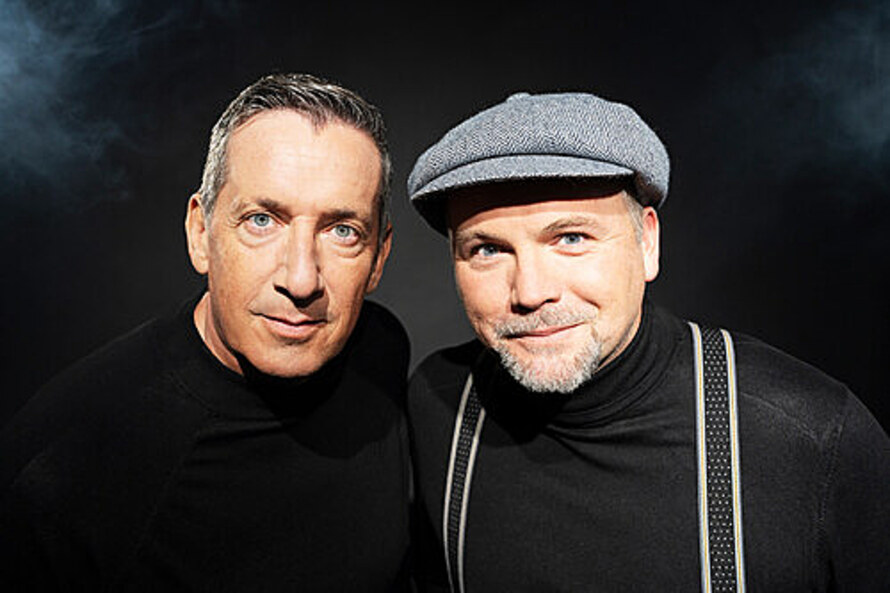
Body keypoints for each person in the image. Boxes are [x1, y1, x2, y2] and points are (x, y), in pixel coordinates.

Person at [405, 91, 890, 591]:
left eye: (571, 238)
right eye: (487, 250)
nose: (530, 292)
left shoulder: (812, 437)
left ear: (647, 243)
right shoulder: (438, 405)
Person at [0, 73, 411, 591]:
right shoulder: (69, 464)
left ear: (378, 258)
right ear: (201, 233)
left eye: (343, 231)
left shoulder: (379, 349)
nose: (301, 279)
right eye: (262, 220)